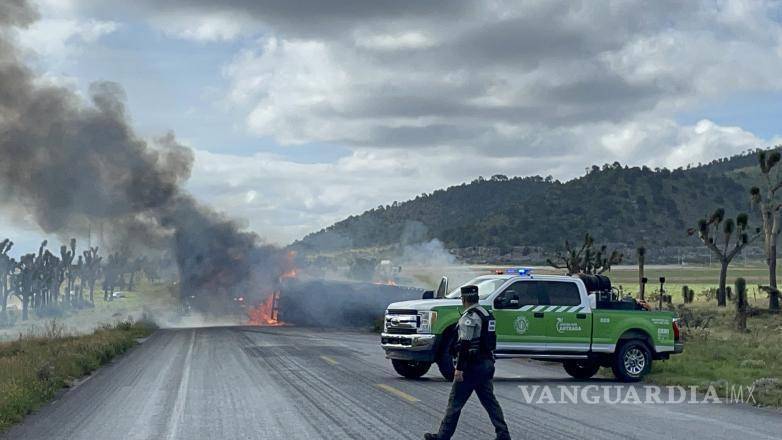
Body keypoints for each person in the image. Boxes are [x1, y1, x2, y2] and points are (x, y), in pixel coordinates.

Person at [425, 285, 512, 440]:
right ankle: (503, 434)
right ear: (477, 298)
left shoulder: (469, 317)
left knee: (455, 404)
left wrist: (459, 369)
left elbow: (465, 344)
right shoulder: (486, 314)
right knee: (490, 403)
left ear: (464, 299)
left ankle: (442, 437)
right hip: (486, 364)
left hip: (471, 366)